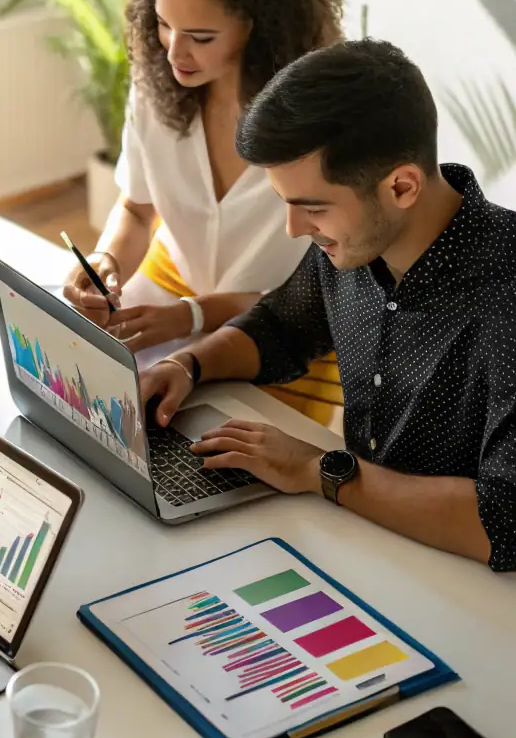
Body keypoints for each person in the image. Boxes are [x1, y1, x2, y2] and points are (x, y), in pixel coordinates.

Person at [140, 40, 516, 571]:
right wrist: (187, 364)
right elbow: (280, 328)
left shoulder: (507, 296)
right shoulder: (358, 239)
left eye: (312, 207)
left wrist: (318, 470)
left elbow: (502, 521)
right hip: (360, 539)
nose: (296, 229)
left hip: (469, 590)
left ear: (402, 186)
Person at [63, 0, 344, 424]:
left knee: (215, 461)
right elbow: (139, 210)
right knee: (93, 416)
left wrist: (192, 317)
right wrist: (106, 263)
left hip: (274, 335)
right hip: (169, 299)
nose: (173, 52)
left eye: (200, 37)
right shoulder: (157, 89)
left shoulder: (322, 121)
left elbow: (326, 292)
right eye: (165, 25)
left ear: (259, 24)